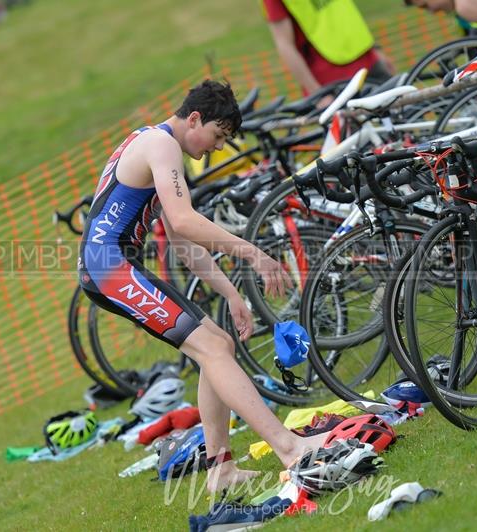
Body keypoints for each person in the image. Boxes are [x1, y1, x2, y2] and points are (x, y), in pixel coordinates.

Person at [78, 80, 330, 492]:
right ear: (194, 118)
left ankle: (221, 470)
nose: (217, 148)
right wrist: (253, 253)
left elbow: (183, 242)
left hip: (113, 266)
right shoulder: (162, 146)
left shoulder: (160, 148)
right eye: (218, 136)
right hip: (108, 268)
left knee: (218, 345)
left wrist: (231, 295)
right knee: (212, 348)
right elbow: (183, 220)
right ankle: (291, 450)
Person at [262, 0, 394, 102]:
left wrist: (376, 51)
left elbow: (345, 12)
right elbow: (284, 43)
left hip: (369, 61)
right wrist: (317, 94)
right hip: (330, 82)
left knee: (404, 126)